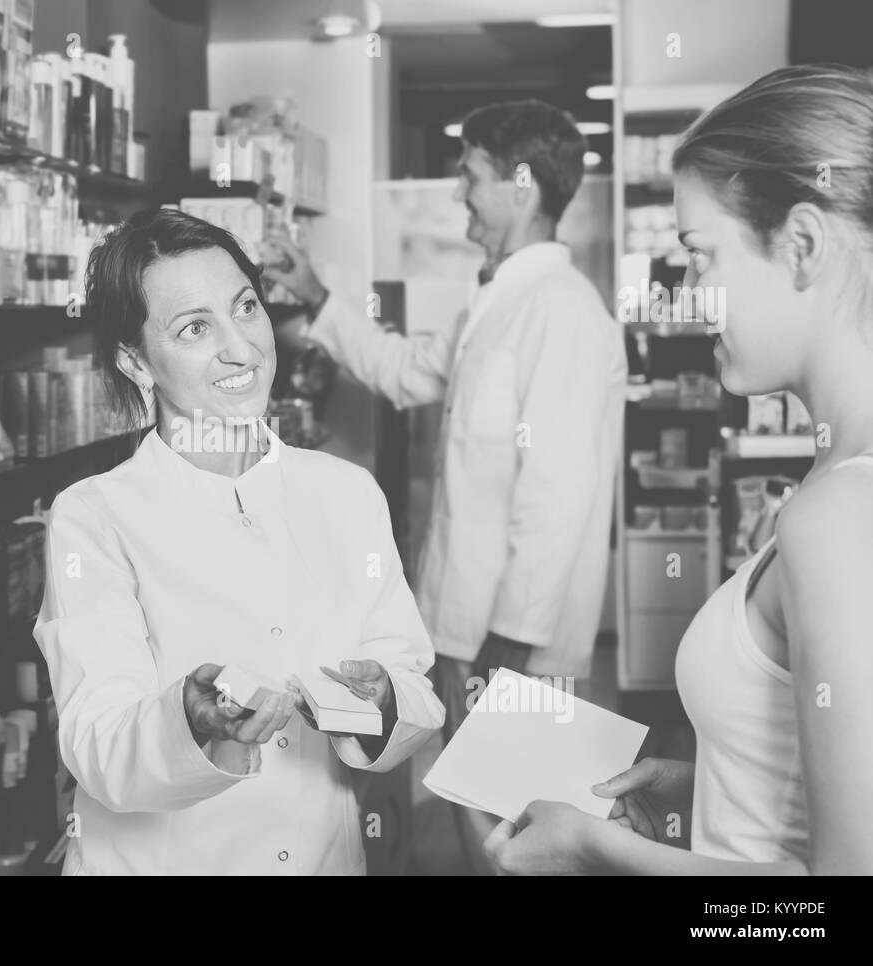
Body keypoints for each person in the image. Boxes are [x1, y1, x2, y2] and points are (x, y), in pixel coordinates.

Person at [482, 64, 873, 875]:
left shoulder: (841, 516)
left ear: (801, 245)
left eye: (700, 256)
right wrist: (708, 790)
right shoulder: (836, 475)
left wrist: (598, 847)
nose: (692, 295)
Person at [264, 100, 627, 873]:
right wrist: (320, 297)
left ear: (520, 185)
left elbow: (557, 492)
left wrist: (511, 643)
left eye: (471, 176)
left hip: (513, 636)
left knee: (519, 830)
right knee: (482, 811)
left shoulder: (561, 311)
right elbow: (402, 372)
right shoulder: (491, 305)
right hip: (468, 626)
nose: (459, 194)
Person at [33, 208, 446, 875]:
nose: (242, 347)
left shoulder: (346, 494)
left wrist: (382, 702)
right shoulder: (95, 516)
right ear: (136, 362)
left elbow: (417, 693)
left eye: (245, 307)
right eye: (195, 327)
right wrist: (190, 723)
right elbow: (98, 742)